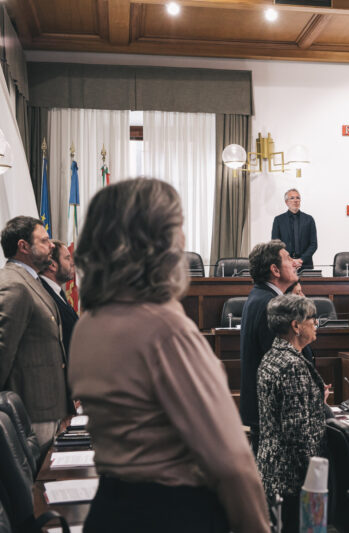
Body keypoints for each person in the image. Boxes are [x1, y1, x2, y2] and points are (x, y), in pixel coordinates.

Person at [69, 178, 271, 532]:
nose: (183, 240)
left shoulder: (87, 324)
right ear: (155, 243)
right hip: (173, 513)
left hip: (110, 510)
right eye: (178, 227)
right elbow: (231, 461)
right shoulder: (165, 329)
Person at [257, 294, 328, 533]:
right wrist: (314, 475)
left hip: (271, 470)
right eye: (311, 318)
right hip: (290, 477)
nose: (316, 323)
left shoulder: (272, 356)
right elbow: (296, 431)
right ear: (296, 326)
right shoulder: (292, 365)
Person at [0, 215, 67, 449]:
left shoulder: (31, 280)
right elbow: (3, 349)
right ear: (24, 246)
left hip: (47, 407)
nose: (52, 246)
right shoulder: (15, 284)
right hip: (30, 411)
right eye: (44, 240)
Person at [240, 239, 299, 452]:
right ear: (275, 270)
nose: (295, 263)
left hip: (264, 410)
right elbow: (281, 363)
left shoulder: (260, 295)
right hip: (274, 413)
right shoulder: (271, 303)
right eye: (288, 259)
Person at [39, 240, 79, 357]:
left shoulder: (57, 292)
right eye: (67, 258)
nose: (72, 263)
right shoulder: (44, 294)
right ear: (52, 265)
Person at [271, 188, 318, 270]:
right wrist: (290, 260)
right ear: (286, 202)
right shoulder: (279, 220)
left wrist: (301, 260)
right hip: (285, 265)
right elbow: (275, 245)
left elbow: (313, 244)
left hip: (305, 264)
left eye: (298, 198)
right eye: (292, 198)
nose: (295, 200)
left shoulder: (309, 219)